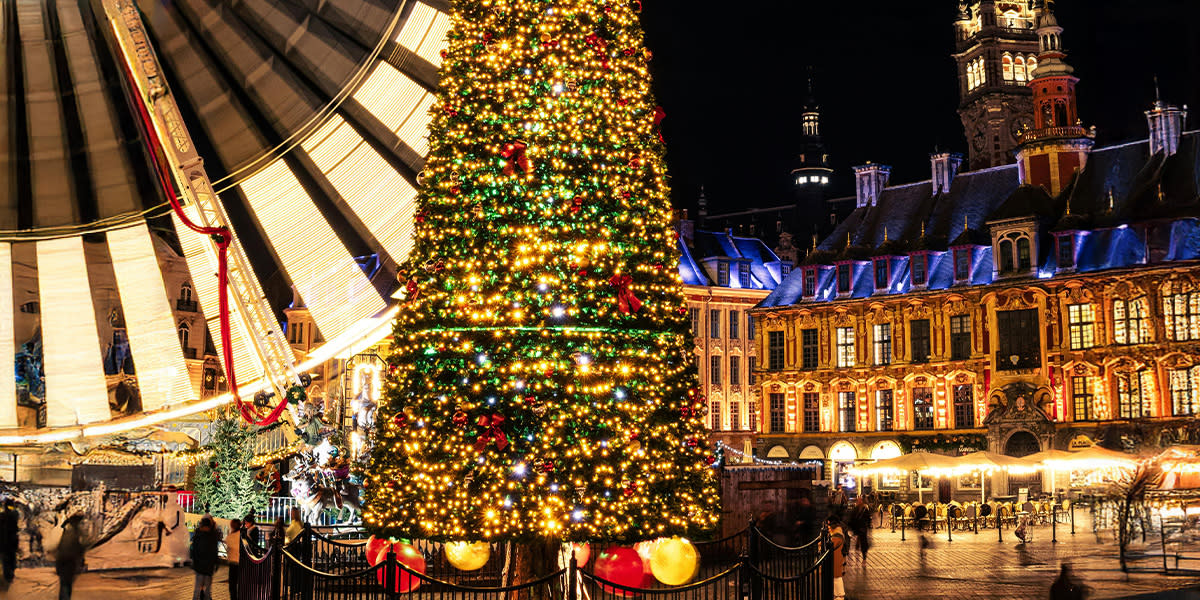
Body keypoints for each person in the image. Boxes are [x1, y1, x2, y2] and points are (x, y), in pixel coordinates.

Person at [56, 514, 86, 600]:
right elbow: (78, 549)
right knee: (66, 584)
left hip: (64, 562)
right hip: (69, 562)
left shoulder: (66, 532)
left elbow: (60, 548)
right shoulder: (74, 533)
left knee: (65, 584)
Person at [190, 515, 220, 600]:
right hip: (205, 566)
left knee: (203, 589)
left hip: (204, 566)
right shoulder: (211, 536)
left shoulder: (199, 536)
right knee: (203, 589)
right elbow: (214, 551)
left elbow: (194, 550)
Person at [0, 499, 19, 582]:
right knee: (11, 557)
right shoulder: (14, 515)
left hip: (4, 541)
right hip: (10, 540)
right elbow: (15, 528)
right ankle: (10, 573)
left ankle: (8, 574)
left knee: (6, 558)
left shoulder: (2, 516)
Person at [848, 495, 871, 562]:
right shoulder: (855, 509)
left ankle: (864, 557)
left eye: (860, 500)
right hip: (857, 527)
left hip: (863, 527)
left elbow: (868, 518)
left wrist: (867, 525)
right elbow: (852, 518)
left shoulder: (865, 509)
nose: (859, 501)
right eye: (858, 500)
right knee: (859, 539)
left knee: (863, 542)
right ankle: (858, 550)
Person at [827, 516, 846, 600]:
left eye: (828, 525)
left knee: (837, 578)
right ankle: (838, 595)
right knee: (835, 578)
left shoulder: (837, 536)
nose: (827, 527)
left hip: (836, 562)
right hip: (835, 561)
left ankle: (839, 595)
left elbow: (828, 545)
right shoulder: (836, 534)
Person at [224, 519, 241, 600]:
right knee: (239, 583)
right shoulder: (241, 534)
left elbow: (227, 542)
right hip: (240, 562)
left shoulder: (232, 536)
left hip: (234, 562)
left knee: (233, 584)